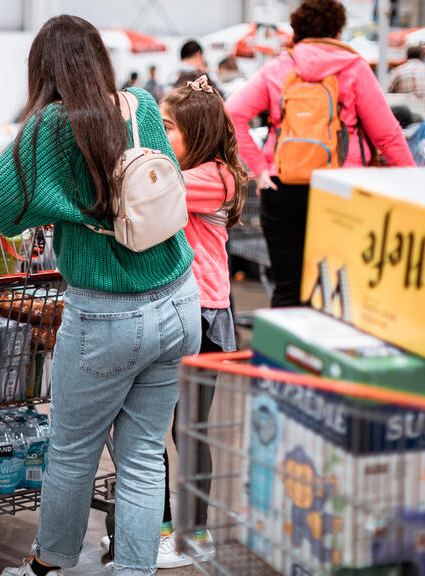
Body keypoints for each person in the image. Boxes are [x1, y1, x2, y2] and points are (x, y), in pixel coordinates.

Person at [0, 15, 202, 576]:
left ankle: (49, 567)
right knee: (144, 457)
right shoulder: (140, 105)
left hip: (107, 318)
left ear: (43, 69)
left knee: (72, 453)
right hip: (178, 299)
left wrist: (56, 208)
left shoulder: (49, 126)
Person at [225, 0, 413, 308]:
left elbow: (233, 113)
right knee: (340, 290)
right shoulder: (354, 68)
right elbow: (388, 134)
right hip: (342, 191)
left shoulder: (279, 67)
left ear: (297, 30)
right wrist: (416, 184)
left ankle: (282, 354)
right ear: (338, 29)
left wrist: (260, 169)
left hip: (282, 187)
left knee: (288, 288)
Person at [156, 74, 248, 567]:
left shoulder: (211, 177)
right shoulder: (196, 170)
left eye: (168, 127)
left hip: (205, 317)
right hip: (180, 307)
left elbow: (148, 189)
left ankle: (195, 537)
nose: (160, 136)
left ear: (200, 134)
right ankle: (171, 525)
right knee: (167, 424)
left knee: (189, 429)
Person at [388, 46, 425, 114]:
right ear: (421, 56)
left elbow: (387, 91)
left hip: (406, 115)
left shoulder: (398, 71)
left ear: (407, 56)